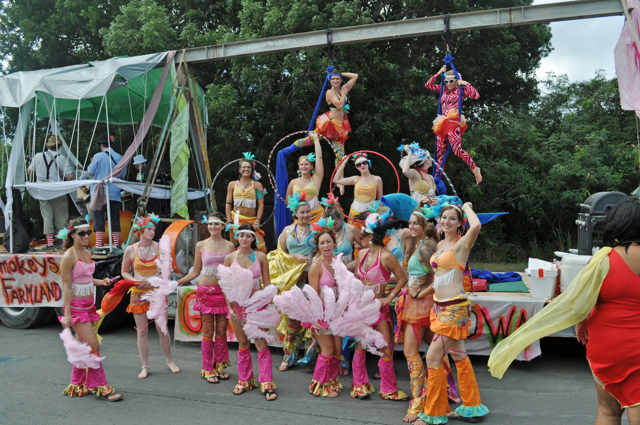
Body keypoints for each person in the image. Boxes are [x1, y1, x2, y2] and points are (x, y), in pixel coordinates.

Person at [488, 197, 640, 425]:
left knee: (608, 412)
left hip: (605, 345)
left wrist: (581, 321)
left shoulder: (603, 259)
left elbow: (578, 301)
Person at [416, 202, 488, 425]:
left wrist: (466, 207)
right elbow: (439, 278)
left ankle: (434, 413)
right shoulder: (440, 245)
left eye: (452, 218)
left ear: (459, 224)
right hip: (439, 307)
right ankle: (472, 406)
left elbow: (475, 226)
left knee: (432, 357)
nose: (446, 221)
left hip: (454, 310)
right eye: (443, 217)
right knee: (458, 355)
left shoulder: (460, 245)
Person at [395, 208, 459, 423]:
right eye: (410, 223)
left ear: (425, 225)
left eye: (415, 223)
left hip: (420, 304)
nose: (410, 226)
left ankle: (420, 401)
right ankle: (442, 392)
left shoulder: (427, 246)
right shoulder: (423, 243)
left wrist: (419, 292)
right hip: (417, 302)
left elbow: (439, 277)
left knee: (411, 352)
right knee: (435, 350)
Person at [58, 217, 122, 401]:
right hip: (77, 308)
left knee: (82, 346)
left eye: (89, 232)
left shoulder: (86, 252)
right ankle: (100, 387)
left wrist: (101, 282)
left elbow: (85, 277)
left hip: (89, 306)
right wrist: (67, 315)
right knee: (94, 345)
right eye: (82, 233)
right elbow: (67, 287)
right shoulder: (69, 256)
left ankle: (77, 384)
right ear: (72, 235)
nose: (86, 236)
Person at [351, 213, 408, 401]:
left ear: (371, 235)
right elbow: (357, 281)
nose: (360, 237)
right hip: (361, 309)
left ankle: (389, 389)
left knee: (386, 348)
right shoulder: (361, 253)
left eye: (363, 234)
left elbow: (403, 278)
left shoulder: (387, 256)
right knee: (360, 346)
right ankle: (359, 385)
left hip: (378, 309)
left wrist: (390, 297)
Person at [222, 224, 277, 401]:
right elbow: (225, 286)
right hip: (238, 308)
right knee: (243, 344)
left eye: (248, 236)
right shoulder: (230, 258)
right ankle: (245, 380)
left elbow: (267, 283)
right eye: (241, 235)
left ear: (254, 238)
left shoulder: (261, 257)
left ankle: (266, 381)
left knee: (261, 344)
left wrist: (273, 300)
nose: (244, 238)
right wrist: (230, 308)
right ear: (237, 237)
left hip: (257, 307)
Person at [121, 214, 180, 379]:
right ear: (140, 230)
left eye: (154, 229)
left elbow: (166, 270)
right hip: (138, 293)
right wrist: (134, 281)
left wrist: (157, 281)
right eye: (149, 229)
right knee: (141, 331)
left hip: (156, 293)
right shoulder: (131, 249)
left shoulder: (160, 247)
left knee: (163, 329)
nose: (152, 232)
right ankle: (145, 366)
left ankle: (169, 360)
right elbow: (124, 272)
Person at [177, 212, 234, 383]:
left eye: (216, 224)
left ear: (223, 226)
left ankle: (220, 365)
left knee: (222, 332)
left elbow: (234, 272)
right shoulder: (201, 245)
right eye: (210, 224)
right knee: (208, 332)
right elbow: (195, 271)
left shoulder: (230, 246)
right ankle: (208, 368)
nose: (213, 227)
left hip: (223, 293)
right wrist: (177, 283)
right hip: (205, 292)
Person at [277, 191, 317, 371]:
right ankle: (289, 357)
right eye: (302, 212)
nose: (306, 215)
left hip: (311, 278)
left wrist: (314, 261)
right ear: (295, 214)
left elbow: (322, 250)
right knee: (292, 319)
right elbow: (279, 254)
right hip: (293, 279)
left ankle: (310, 359)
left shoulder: (317, 230)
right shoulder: (287, 231)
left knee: (311, 318)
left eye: (308, 212)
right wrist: (292, 255)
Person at [425, 67, 482, 184]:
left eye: (451, 81)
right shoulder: (443, 90)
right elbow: (428, 85)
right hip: (442, 123)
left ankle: (475, 169)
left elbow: (476, 95)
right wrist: (439, 72)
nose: (448, 84)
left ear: (456, 80)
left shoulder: (461, 90)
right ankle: (436, 181)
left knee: (457, 150)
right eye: (446, 81)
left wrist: (465, 83)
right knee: (439, 154)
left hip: (454, 122)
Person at [305, 226, 343, 397]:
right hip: (320, 315)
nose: (326, 245)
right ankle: (319, 385)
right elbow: (312, 295)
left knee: (337, 350)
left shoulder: (338, 262)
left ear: (335, 243)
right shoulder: (316, 266)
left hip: (338, 314)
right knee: (327, 350)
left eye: (329, 241)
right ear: (318, 246)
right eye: (322, 243)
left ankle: (332, 380)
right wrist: (314, 318)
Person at [27, 135, 74, 248]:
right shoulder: (61, 158)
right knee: (62, 216)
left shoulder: (38, 156)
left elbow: (29, 171)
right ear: (58, 146)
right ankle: (63, 242)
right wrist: (64, 180)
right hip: (56, 189)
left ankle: (49, 243)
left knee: (47, 216)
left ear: (48, 145)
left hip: (42, 189)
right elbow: (71, 176)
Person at [87, 135, 127, 248]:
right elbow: (123, 176)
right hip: (114, 192)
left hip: (99, 193)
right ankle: (115, 245)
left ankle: (98, 245)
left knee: (99, 218)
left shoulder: (98, 156)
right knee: (114, 218)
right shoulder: (120, 157)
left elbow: (90, 172)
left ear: (101, 145)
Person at [225, 152, 267, 253]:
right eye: (244, 167)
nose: (246, 169)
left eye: (249, 167)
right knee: (234, 248)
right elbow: (228, 204)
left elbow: (261, 205)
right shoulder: (232, 184)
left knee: (262, 249)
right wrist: (230, 221)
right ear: (240, 169)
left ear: (252, 170)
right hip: (236, 220)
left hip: (252, 221)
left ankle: (255, 266)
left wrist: (257, 220)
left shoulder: (257, 185)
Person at [333, 152, 383, 224]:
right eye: (359, 164)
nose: (362, 165)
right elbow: (335, 180)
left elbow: (380, 200)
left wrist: (380, 215)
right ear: (356, 167)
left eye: (364, 163)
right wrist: (343, 163)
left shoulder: (377, 179)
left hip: (370, 213)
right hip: (354, 212)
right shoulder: (355, 179)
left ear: (368, 163)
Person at [286, 133, 325, 223]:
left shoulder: (316, 178)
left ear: (311, 167)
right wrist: (295, 215)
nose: (304, 167)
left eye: (306, 164)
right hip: (300, 219)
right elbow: (288, 202)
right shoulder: (293, 182)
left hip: (317, 217)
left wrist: (315, 139)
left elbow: (319, 158)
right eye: (301, 164)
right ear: (299, 167)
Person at [321, 194, 361, 270]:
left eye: (335, 224)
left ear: (341, 217)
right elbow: (318, 252)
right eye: (330, 224)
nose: (333, 227)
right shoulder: (324, 231)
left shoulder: (351, 229)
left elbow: (368, 247)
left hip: (347, 274)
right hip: (328, 272)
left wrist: (357, 261)